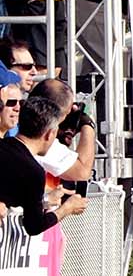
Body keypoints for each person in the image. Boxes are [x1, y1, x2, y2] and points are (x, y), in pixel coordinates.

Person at [1, 97, 87, 234]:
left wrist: (45, 200)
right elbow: (34, 226)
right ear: (49, 134)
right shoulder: (33, 172)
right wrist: (67, 208)